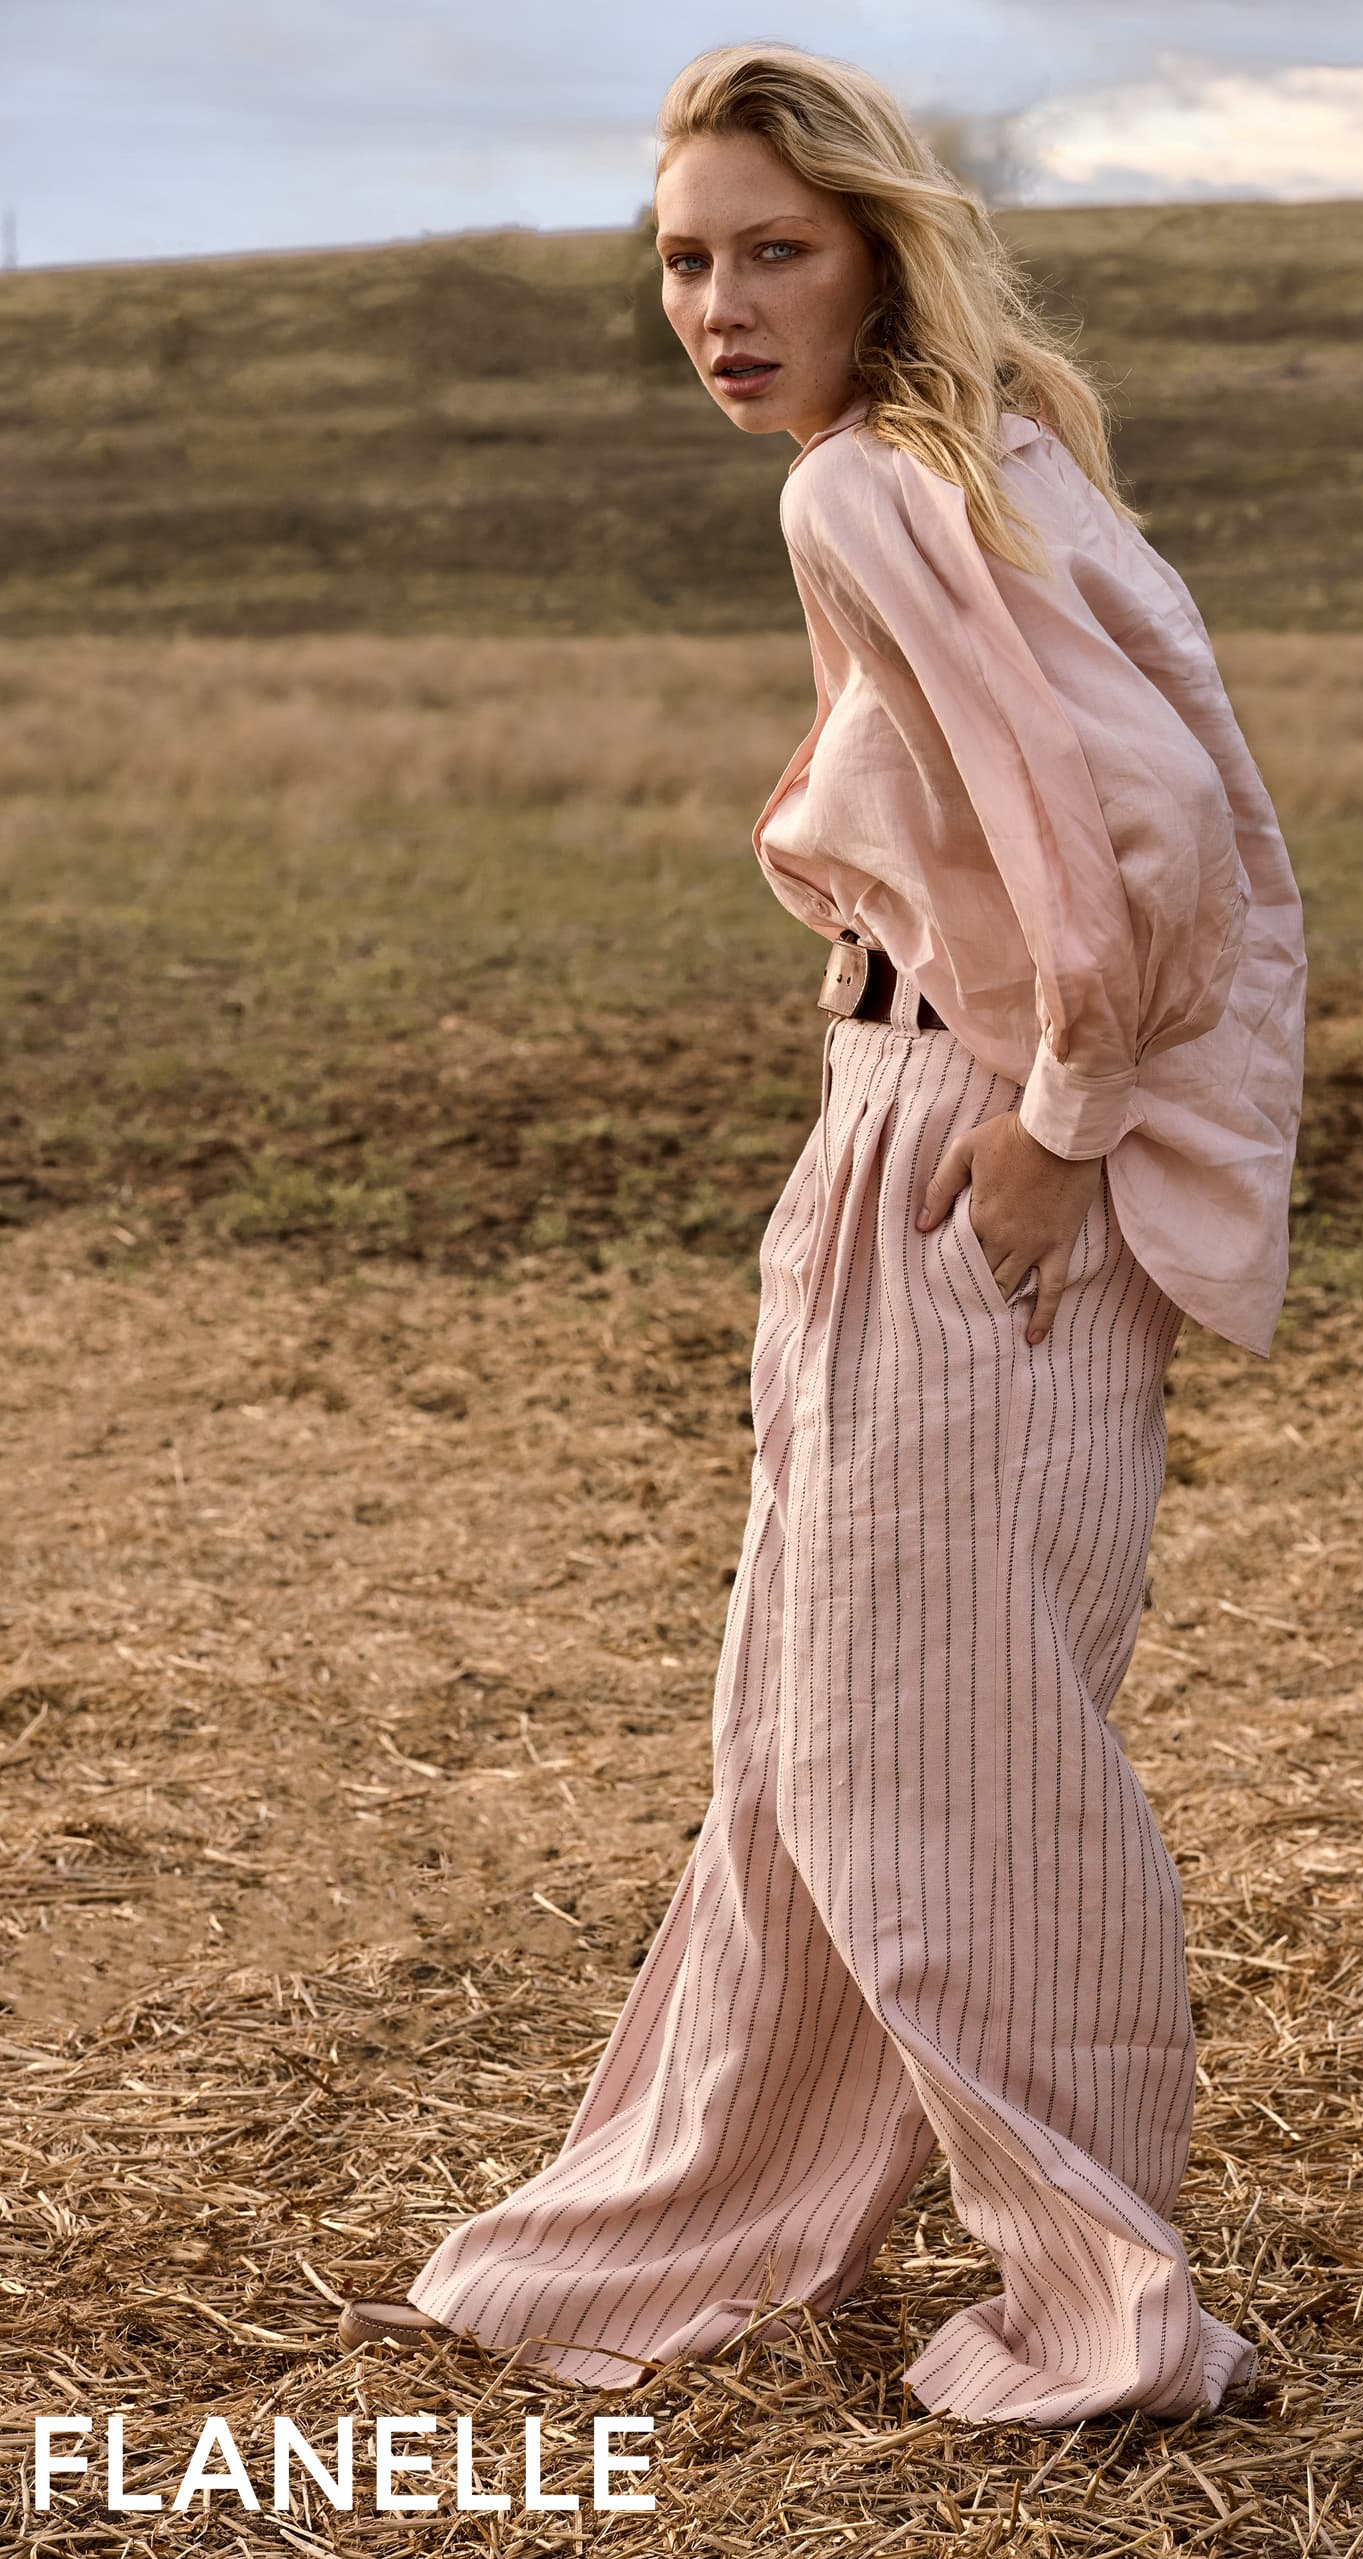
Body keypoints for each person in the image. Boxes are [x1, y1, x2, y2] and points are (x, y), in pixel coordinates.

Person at [337, 40, 1305, 2429]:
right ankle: (693, 2213)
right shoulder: (990, 460)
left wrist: (1056, 1119)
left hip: (967, 1138)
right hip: (925, 1115)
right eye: (683, 258)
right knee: (824, 1720)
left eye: (772, 248)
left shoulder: (871, 494)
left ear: (876, 246)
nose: (719, 303)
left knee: (933, 1747)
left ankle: (1102, 2286)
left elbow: (1142, 823)